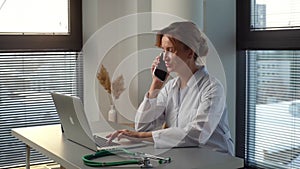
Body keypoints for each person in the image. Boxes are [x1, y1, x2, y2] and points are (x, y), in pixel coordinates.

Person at [106, 21, 234, 156]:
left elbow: (197, 134)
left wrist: (140, 136)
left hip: (215, 160)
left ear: (189, 52)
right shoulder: (170, 88)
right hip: (186, 157)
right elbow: (143, 126)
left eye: (170, 50)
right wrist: (156, 84)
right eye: (163, 50)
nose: (164, 57)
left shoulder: (213, 88)